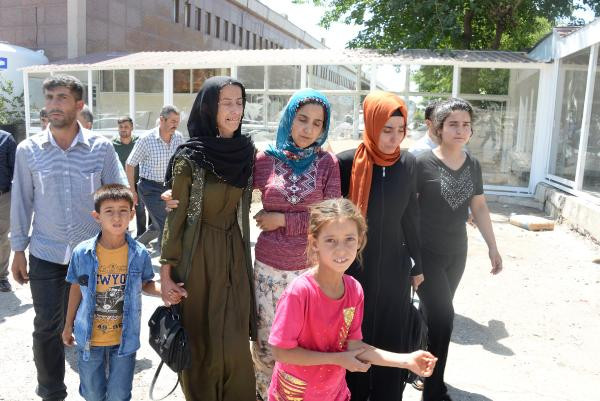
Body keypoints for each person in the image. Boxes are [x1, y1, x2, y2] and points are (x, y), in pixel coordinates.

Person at [10, 74, 125, 401]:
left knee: (101, 327)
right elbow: (22, 202)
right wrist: (18, 249)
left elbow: (119, 195)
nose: (53, 105)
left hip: (94, 257)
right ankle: (51, 392)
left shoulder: (100, 148)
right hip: (47, 255)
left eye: (61, 97)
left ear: (79, 104)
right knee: (47, 327)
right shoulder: (28, 150)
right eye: (49, 98)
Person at [267, 198, 437, 401]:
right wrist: (338, 359)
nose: (341, 250)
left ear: (360, 240)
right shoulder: (299, 292)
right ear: (314, 243)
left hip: (334, 394)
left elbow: (354, 346)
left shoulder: (354, 290)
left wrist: (407, 360)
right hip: (295, 395)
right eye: (330, 240)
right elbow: (281, 352)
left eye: (349, 239)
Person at [159, 76, 256, 401]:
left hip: (234, 255)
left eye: (239, 102)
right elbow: (176, 219)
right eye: (226, 103)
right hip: (197, 257)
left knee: (234, 338)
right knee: (200, 339)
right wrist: (166, 275)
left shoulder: (246, 152)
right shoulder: (190, 157)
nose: (235, 110)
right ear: (209, 107)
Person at [251, 88, 341, 399]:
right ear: (289, 118)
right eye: (302, 119)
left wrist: (283, 220)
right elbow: (231, 194)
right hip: (268, 271)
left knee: (302, 347)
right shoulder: (264, 160)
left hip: (309, 271)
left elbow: (332, 219)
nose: (308, 129)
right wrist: (179, 195)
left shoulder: (327, 163)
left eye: (317, 123)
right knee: (267, 345)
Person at [337, 91, 423, 401]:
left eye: (400, 130)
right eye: (387, 129)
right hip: (355, 266)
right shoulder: (347, 163)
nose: (394, 137)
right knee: (354, 333)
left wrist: (418, 265)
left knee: (391, 333)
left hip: (394, 268)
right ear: (371, 125)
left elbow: (411, 217)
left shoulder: (408, 163)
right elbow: (333, 218)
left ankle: (388, 393)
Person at [416, 98, 503, 401]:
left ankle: (420, 367)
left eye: (466, 125)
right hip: (426, 253)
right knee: (444, 317)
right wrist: (408, 256)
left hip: (456, 253)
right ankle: (433, 388)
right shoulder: (421, 163)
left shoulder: (473, 164)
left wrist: (492, 246)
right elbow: (408, 211)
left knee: (434, 317)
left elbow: (479, 206)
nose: (461, 130)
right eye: (453, 124)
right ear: (439, 128)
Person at [62, 184, 161, 401]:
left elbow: (146, 283)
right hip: (89, 338)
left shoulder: (139, 253)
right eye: (109, 211)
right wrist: (68, 325)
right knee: (92, 393)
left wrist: (164, 292)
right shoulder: (82, 252)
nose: (117, 217)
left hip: (124, 339)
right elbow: (76, 288)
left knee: (119, 394)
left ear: (132, 214)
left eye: (123, 210)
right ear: (97, 216)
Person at [126, 105, 183, 249]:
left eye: (177, 121)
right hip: (150, 188)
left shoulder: (179, 138)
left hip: (170, 188)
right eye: (172, 121)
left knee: (158, 224)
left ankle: (135, 247)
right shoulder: (146, 139)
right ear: (162, 120)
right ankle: (167, 257)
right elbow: (130, 164)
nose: (175, 124)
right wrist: (132, 191)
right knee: (166, 222)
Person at [112, 116, 147, 237]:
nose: (123, 129)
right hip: (121, 184)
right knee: (123, 211)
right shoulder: (113, 144)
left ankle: (141, 236)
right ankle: (124, 235)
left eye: (126, 127)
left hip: (138, 182)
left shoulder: (138, 142)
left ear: (132, 127)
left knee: (140, 210)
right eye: (120, 127)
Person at [0, 129, 16, 292]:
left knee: (2, 238)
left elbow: (16, 171)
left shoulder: (6, 139)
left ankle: (1, 277)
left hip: (3, 197)